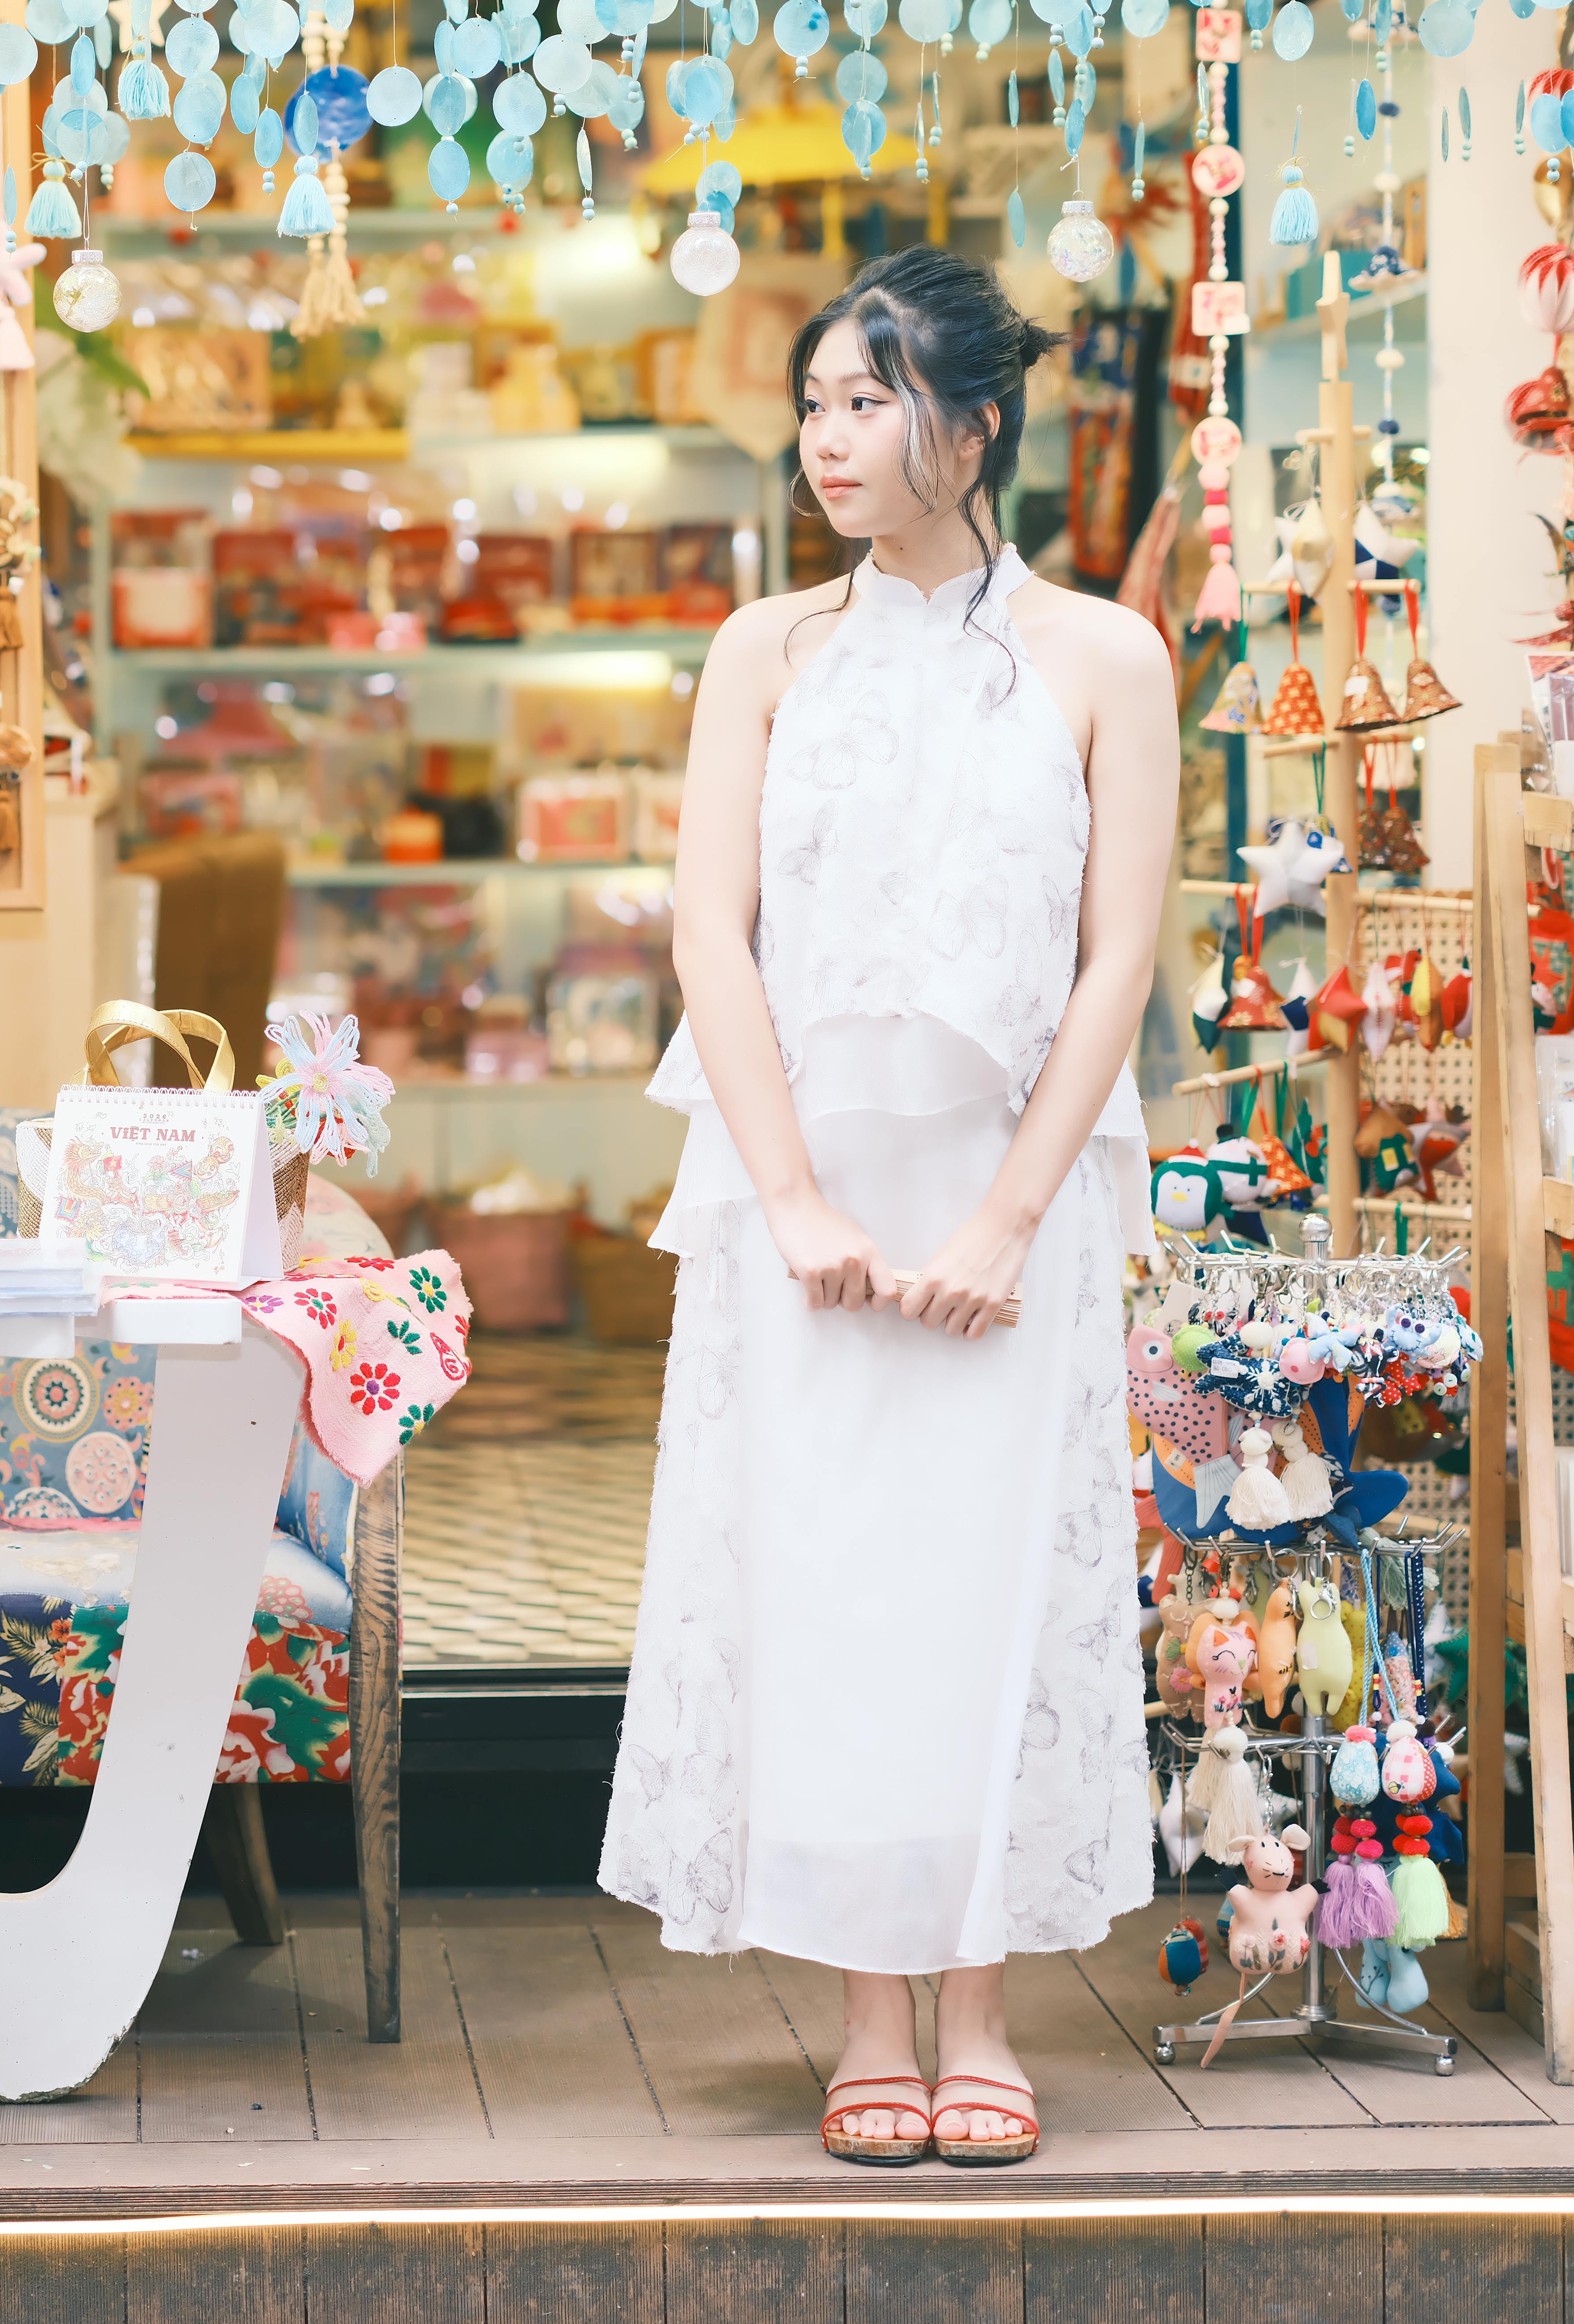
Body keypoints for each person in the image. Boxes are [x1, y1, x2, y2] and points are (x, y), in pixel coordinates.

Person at [601, 246, 1177, 2166]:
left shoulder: (1105, 655)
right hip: (807, 1188)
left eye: (868, 404)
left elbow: (1115, 963)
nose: (826, 442)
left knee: (994, 1581)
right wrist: (784, 1197)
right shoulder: (760, 649)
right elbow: (707, 928)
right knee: (832, 1583)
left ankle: (985, 2010)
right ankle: (868, 2012)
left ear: (973, 424)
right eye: (816, 406)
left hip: (1007, 1190)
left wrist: (1009, 1219)